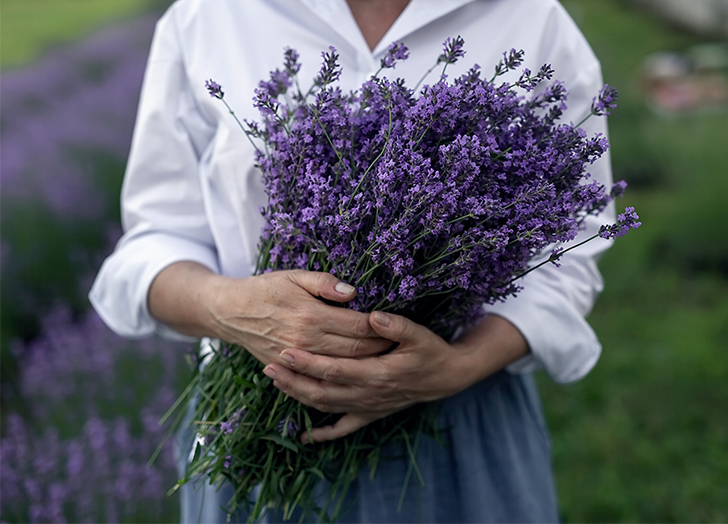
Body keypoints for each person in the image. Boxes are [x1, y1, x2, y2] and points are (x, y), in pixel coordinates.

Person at [90, 0, 615, 521]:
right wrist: (232, 307)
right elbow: (155, 241)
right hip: (258, 420)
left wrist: (458, 365)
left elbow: (569, 253)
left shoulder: (531, 17)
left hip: (457, 420)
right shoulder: (208, 16)